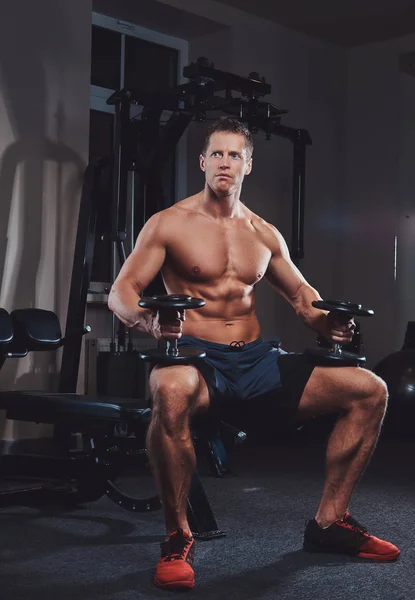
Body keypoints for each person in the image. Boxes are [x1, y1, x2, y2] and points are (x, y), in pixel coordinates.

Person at [108, 116, 400, 591]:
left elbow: (304, 298)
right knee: (169, 387)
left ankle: (330, 524)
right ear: (203, 162)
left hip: (257, 359)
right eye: (217, 154)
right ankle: (177, 536)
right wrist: (147, 321)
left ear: (248, 165)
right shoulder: (169, 223)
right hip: (198, 357)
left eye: (235, 155)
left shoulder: (264, 234)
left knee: (369, 390)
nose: (225, 163)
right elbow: (122, 291)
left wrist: (333, 324)